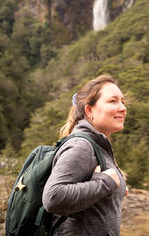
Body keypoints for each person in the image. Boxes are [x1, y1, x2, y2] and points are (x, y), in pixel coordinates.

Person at [42, 74, 127, 236]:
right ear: (89, 110)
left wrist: (115, 187)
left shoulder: (97, 145)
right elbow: (53, 197)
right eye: (113, 101)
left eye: (123, 101)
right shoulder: (82, 146)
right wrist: (105, 183)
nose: (122, 108)